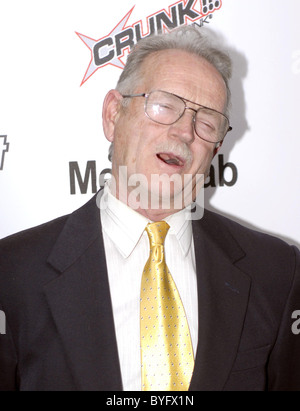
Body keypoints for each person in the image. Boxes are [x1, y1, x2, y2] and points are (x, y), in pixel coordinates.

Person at [0, 25, 299, 392]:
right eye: (164, 105)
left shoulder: (277, 271)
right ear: (113, 114)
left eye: (206, 121)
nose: (185, 132)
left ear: (216, 150)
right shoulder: (11, 273)